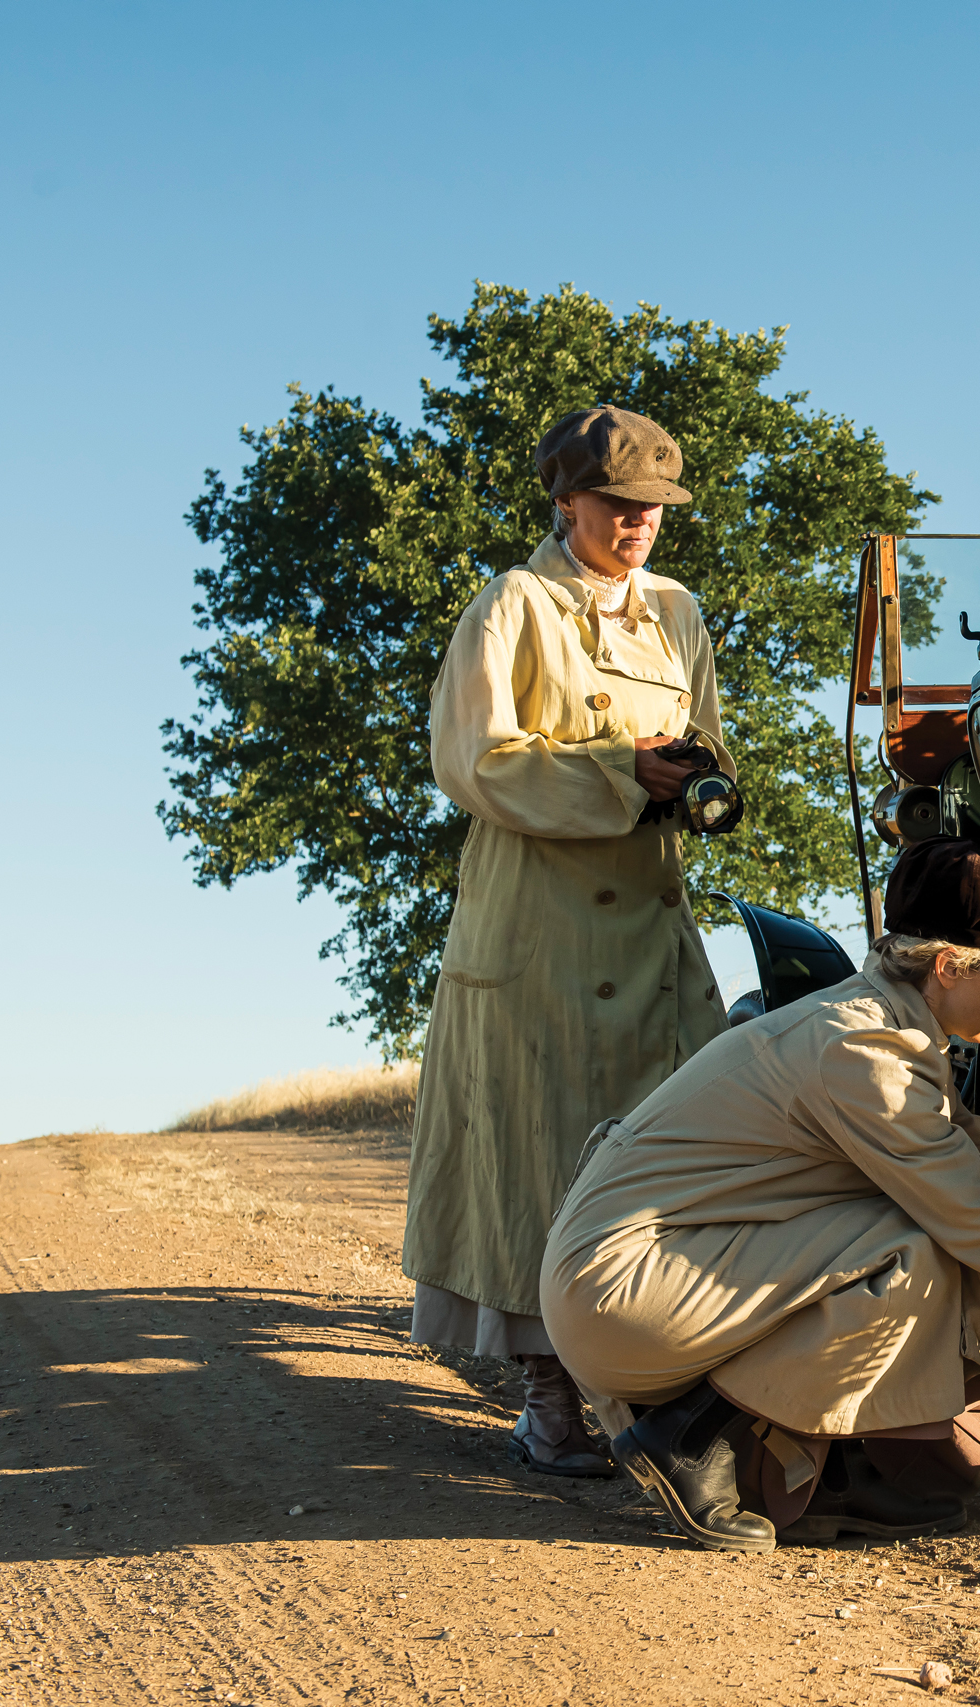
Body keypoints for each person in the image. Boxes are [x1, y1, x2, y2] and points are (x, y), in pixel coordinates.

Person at [540, 838, 980, 1549]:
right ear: (950, 966)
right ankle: (692, 1435)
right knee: (917, 1241)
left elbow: (972, 1149)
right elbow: (979, 1211)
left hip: (640, 1272)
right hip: (618, 1289)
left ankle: (820, 1463)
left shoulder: (878, 1021)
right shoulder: (860, 1051)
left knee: (923, 1229)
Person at [404, 404, 737, 1477]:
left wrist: (698, 784)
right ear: (566, 502)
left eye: (653, 509)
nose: (638, 523)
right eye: (617, 505)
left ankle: (666, 1382)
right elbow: (473, 760)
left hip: (650, 919)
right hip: (534, 927)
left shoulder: (679, 613)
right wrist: (614, 770)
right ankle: (550, 1394)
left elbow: (713, 740)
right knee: (539, 1155)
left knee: (672, 1149)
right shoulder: (512, 603)